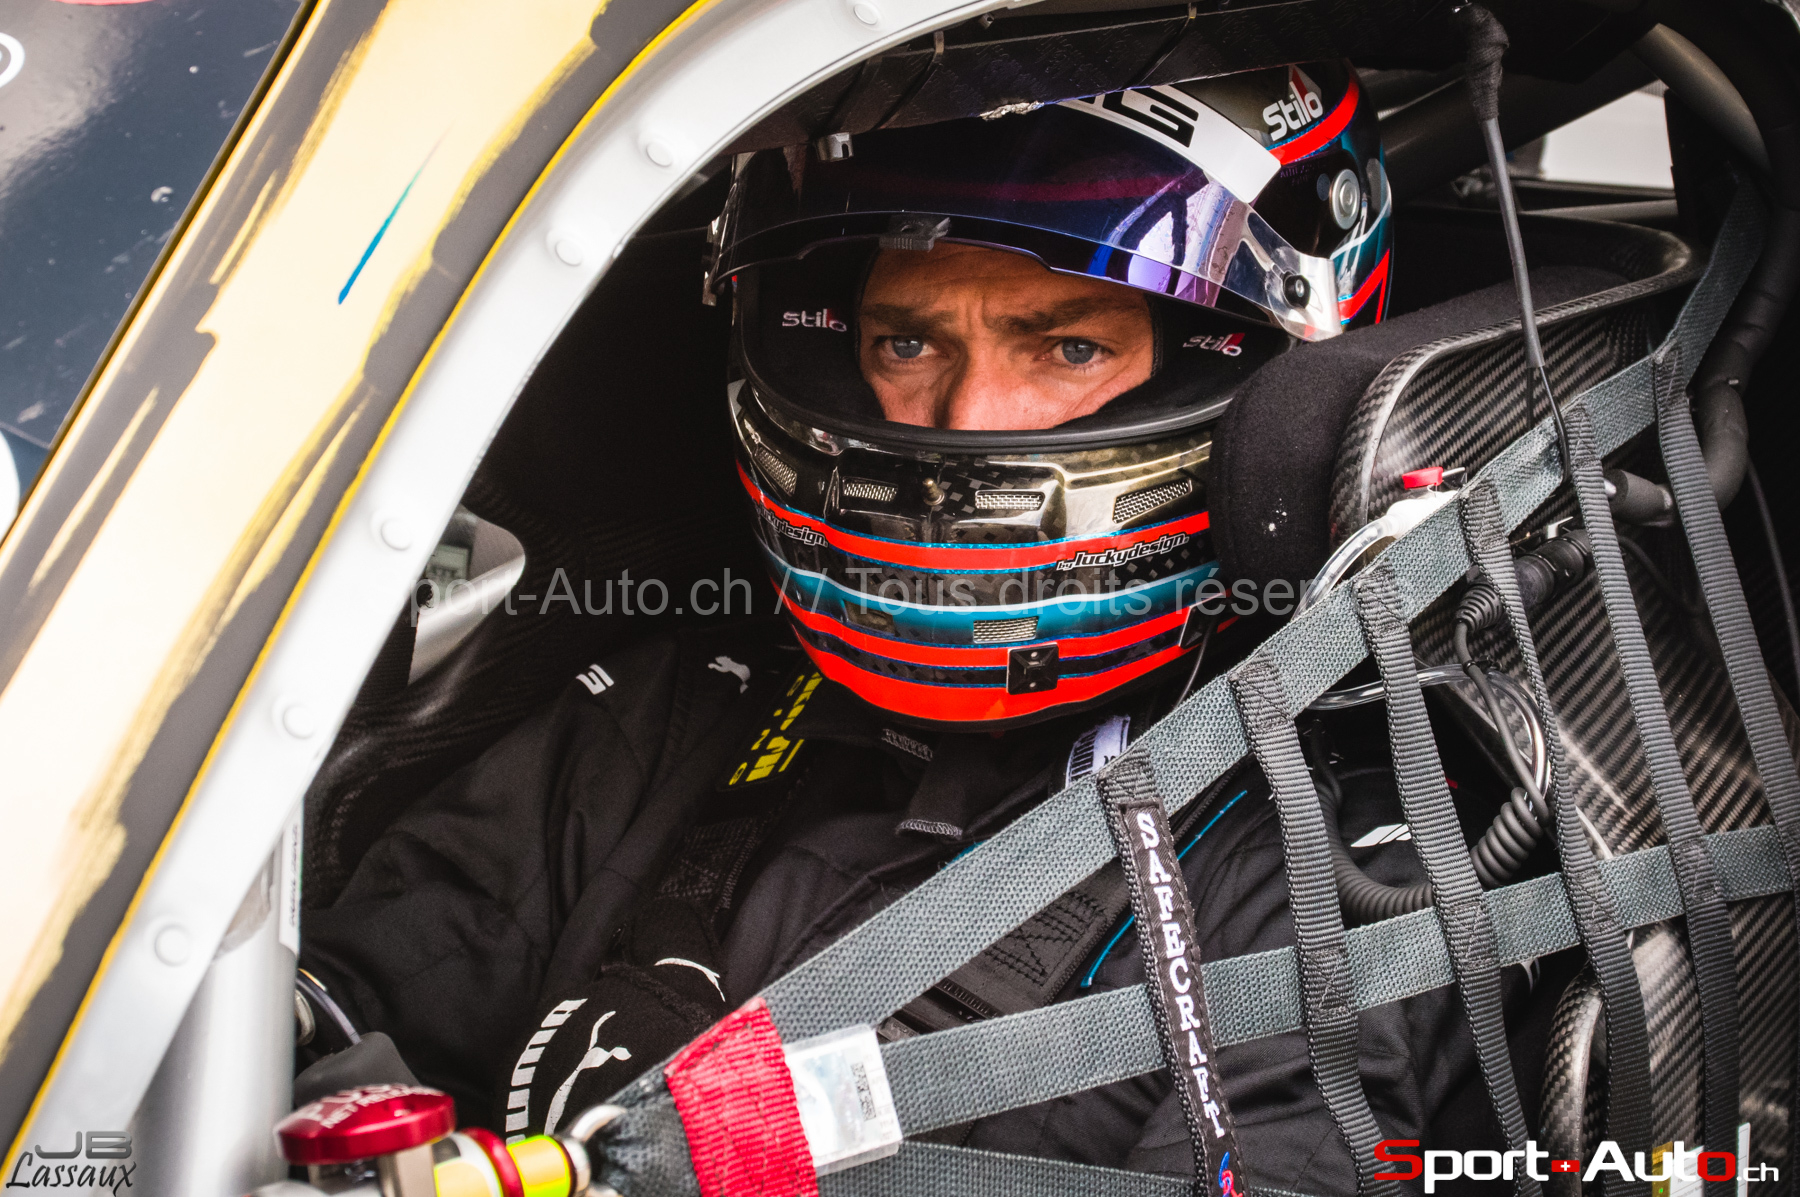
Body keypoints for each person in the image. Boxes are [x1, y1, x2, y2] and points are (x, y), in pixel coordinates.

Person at [299, 60, 1512, 1193]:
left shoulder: (1326, 874)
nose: (965, 422)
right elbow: (323, 1022)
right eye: (906, 341)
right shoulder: (686, 706)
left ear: (1245, 382)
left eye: (1068, 346)